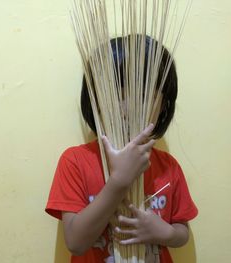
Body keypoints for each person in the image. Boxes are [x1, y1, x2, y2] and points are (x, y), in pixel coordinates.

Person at [45, 36, 198, 263]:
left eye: (143, 95)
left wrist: (165, 233)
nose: (127, 108)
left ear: (164, 103)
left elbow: (182, 231)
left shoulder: (169, 166)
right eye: (116, 94)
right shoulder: (75, 161)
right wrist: (119, 180)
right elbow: (76, 243)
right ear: (95, 100)